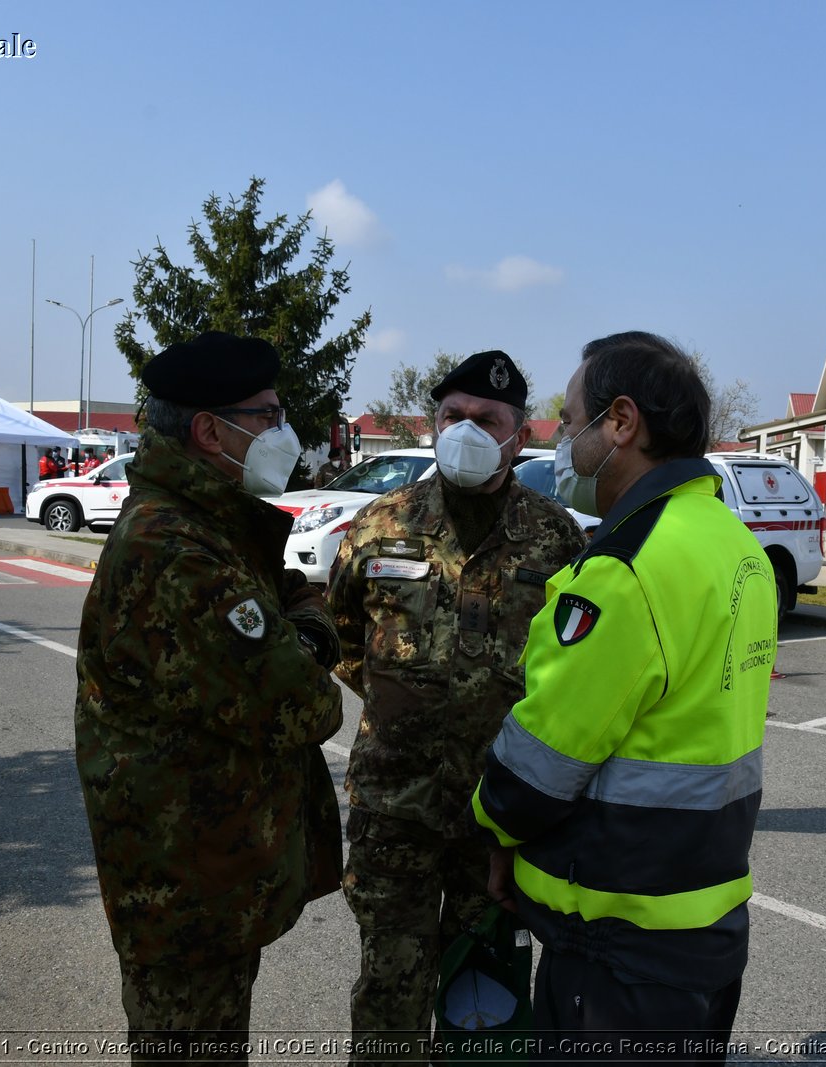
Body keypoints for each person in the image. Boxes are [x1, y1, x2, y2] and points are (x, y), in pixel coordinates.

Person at [472, 331, 778, 1062]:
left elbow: (541, 762)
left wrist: (492, 828)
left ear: (621, 422)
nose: (562, 441)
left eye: (571, 421)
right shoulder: (734, 545)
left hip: (617, 941)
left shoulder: (625, 568)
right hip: (707, 919)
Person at [74, 330, 344, 1065]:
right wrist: (313, 638)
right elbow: (306, 704)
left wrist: (298, 625)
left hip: (203, 880)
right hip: (186, 894)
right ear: (208, 429)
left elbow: (284, 600)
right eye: (267, 415)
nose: (281, 432)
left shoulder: (208, 527)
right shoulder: (177, 551)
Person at [326, 350, 586, 1059]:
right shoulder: (381, 523)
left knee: (487, 999)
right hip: (394, 808)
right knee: (389, 994)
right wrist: (408, 700)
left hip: (499, 818)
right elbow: (348, 638)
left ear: (519, 435)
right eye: (452, 416)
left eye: (485, 419)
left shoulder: (557, 537)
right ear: (433, 424)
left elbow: (574, 670)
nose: (465, 428)